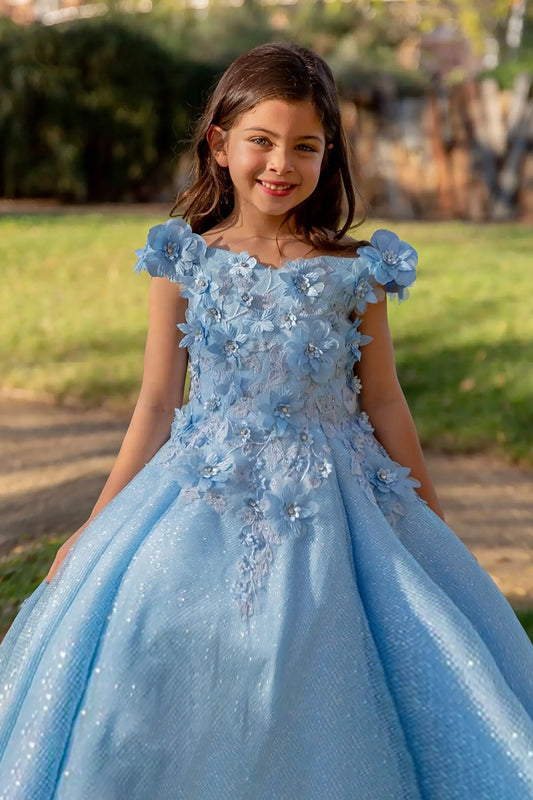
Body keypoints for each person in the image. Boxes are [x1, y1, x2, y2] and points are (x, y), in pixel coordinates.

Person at [1, 41, 533, 800]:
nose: (280, 162)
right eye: (261, 140)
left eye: (305, 146)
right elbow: (156, 404)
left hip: (337, 498)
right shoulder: (183, 260)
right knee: (161, 637)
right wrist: (96, 524)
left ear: (328, 154)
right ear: (219, 144)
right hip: (199, 494)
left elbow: (383, 399)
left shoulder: (355, 270)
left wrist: (429, 518)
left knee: (322, 647)